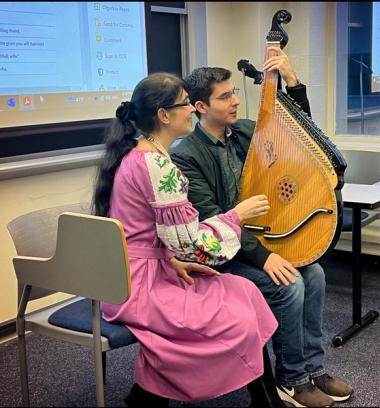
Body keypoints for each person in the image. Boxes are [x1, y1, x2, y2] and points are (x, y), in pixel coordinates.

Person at [170, 47, 354, 408]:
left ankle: (313, 369)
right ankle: (291, 380)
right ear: (201, 107)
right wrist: (265, 257)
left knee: (314, 273)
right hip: (223, 254)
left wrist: (292, 81)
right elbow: (212, 217)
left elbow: (306, 138)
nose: (236, 101)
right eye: (225, 96)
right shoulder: (186, 155)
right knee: (290, 284)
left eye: (234, 91)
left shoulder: (245, 134)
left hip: (263, 242)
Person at [92, 72, 287, 407]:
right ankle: (153, 394)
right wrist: (237, 216)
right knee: (236, 313)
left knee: (245, 290)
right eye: (185, 105)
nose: (192, 112)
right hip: (141, 288)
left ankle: (261, 398)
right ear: (164, 116)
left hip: (137, 276)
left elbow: (148, 235)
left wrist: (170, 259)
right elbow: (195, 246)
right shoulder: (156, 165)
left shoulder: (137, 155)